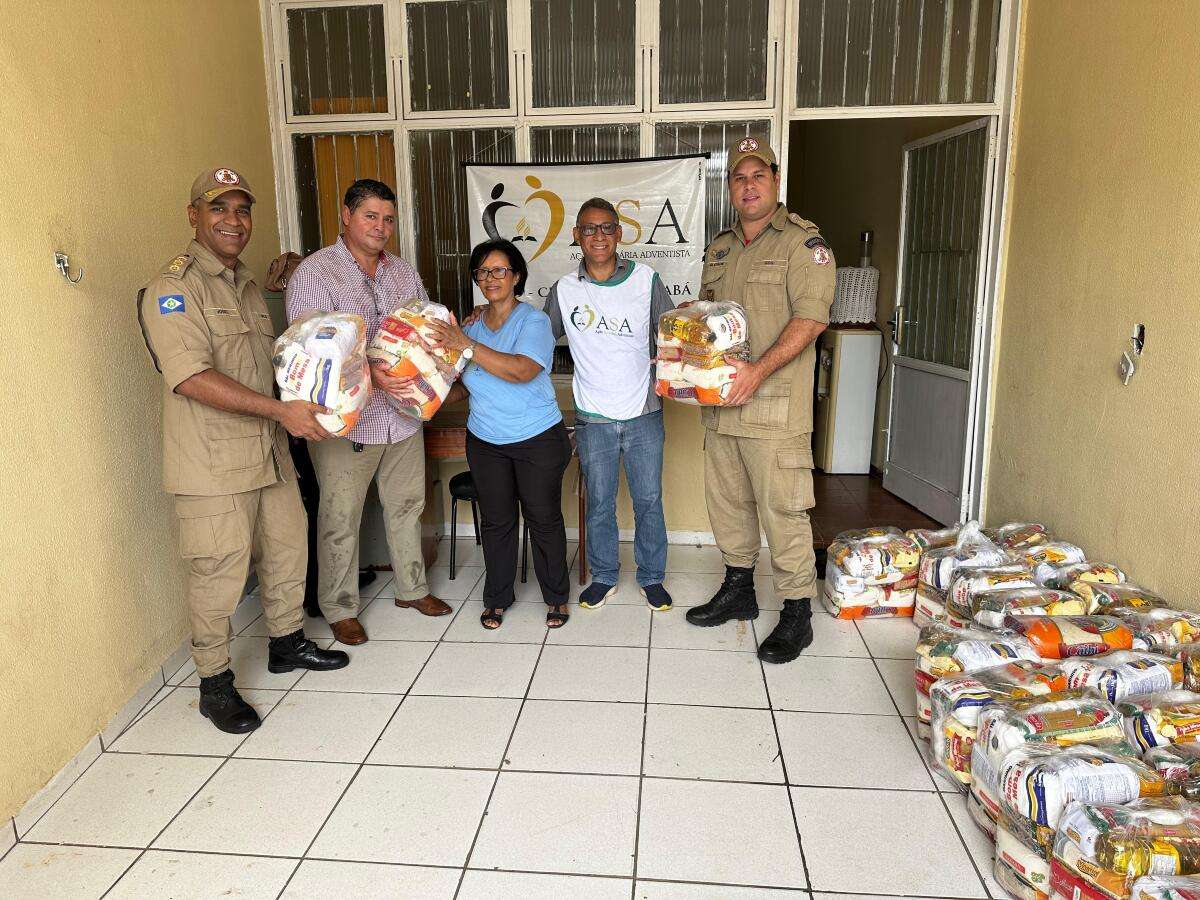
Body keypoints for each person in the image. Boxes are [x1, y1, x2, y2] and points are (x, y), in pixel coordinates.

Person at [138, 167, 349, 734]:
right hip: (211, 462)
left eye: (241, 210)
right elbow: (191, 378)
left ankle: (286, 644)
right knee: (217, 575)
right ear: (194, 216)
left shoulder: (249, 284)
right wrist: (286, 412)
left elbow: (267, 365)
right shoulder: (173, 289)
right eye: (218, 209)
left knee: (287, 554)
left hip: (268, 452)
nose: (233, 221)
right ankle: (214, 684)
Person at [683, 137, 836, 665]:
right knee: (728, 506)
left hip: (774, 406)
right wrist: (690, 316)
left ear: (775, 179)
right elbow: (715, 315)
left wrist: (757, 371)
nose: (748, 186)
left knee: (783, 511)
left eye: (758, 176)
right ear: (730, 188)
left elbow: (811, 319)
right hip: (722, 405)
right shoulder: (720, 247)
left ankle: (797, 612)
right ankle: (739, 589)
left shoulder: (803, 244)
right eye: (739, 178)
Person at [285, 179, 451, 646]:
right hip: (346, 420)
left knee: (406, 507)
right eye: (371, 216)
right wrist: (374, 376)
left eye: (389, 219)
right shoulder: (317, 274)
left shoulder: (402, 273)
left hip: (403, 415)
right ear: (346, 215)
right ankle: (339, 608)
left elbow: (422, 331)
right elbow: (309, 353)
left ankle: (412, 589)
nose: (381, 227)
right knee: (340, 516)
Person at [425, 240, 572, 630]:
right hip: (486, 440)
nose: (490, 278)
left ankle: (556, 596)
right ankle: (497, 597)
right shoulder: (470, 326)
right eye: (483, 272)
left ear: (517, 276)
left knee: (542, 519)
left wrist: (468, 345)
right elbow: (465, 385)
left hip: (537, 438)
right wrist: (424, 398)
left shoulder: (533, 321)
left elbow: (523, 370)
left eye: (499, 270)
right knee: (496, 521)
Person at [544, 198, 674, 611]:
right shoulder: (565, 291)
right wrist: (488, 318)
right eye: (588, 228)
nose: (598, 236)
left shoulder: (647, 280)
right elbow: (536, 340)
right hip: (593, 418)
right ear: (576, 236)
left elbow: (672, 335)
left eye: (606, 228)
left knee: (649, 499)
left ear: (619, 233)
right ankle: (603, 577)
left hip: (644, 415)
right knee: (599, 502)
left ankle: (652, 577)